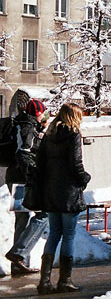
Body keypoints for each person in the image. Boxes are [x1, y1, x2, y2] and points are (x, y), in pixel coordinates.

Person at [28, 103, 91, 294]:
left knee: (54, 233)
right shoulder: (73, 134)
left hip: (51, 191)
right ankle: (65, 280)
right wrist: (85, 178)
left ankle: (44, 282)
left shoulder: (49, 135)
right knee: (69, 235)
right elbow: (76, 163)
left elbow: (40, 163)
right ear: (74, 117)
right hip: (69, 192)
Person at [3, 99, 49, 275]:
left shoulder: (23, 125)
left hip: (15, 178)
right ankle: (19, 254)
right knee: (43, 214)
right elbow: (23, 153)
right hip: (22, 180)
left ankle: (18, 263)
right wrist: (32, 176)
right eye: (42, 113)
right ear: (38, 113)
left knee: (22, 220)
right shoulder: (27, 127)